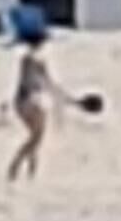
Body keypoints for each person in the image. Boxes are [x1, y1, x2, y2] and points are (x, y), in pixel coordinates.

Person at [6, 41, 93, 185]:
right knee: (36, 137)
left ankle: (30, 171)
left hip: (25, 101)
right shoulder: (31, 62)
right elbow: (44, 85)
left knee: (36, 136)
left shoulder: (31, 62)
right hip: (28, 101)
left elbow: (49, 86)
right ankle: (16, 166)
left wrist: (72, 101)